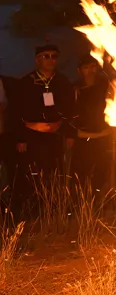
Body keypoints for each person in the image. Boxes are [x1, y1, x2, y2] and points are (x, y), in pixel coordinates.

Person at [8, 44, 76, 206]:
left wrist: (68, 132)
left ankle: (51, 208)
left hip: (55, 136)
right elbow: (15, 112)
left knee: (53, 173)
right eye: (46, 56)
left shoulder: (62, 82)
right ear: (37, 59)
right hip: (32, 136)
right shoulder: (26, 82)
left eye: (54, 56)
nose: (51, 60)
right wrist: (21, 137)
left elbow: (70, 109)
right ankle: (30, 210)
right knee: (31, 173)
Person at [68, 55, 114, 194]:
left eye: (93, 66)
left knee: (101, 174)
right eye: (86, 67)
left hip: (103, 137)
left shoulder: (106, 86)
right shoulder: (75, 89)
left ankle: (98, 206)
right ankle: (78, 208)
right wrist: (71, 135)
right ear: (79, 70)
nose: (90, 70)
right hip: (83, 138)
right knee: (79, 175)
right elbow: (69, 114)